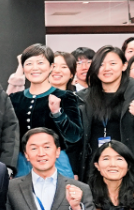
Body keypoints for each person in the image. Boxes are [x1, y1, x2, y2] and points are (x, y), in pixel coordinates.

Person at [77, 46, 134, 172]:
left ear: (124, 66)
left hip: (131, 168)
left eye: (113, 63)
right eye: (101, 64)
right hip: (94, 168)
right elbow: (75, 140)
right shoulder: (83, 98)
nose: (106, 68)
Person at [9, 45, 81, 178]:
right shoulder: (14, 98)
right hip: (23, 164)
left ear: (51, 67)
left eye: (40, 63)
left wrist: (57, 113)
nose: (35, 68)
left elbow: (75, 136)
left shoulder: (65, 96)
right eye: (29, 63)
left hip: (57, 164)